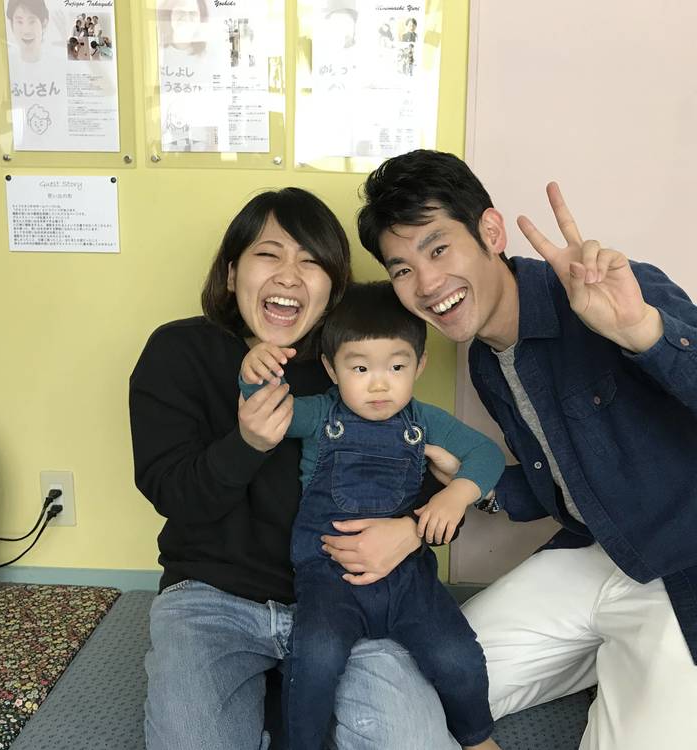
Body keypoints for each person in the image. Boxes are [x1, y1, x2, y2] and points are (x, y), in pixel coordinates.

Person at [356, 149, 697, 750]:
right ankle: (614, 662)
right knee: (409, 683)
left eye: (439, 248)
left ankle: (684, 680)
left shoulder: (611, 294)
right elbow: (571, 476)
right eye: (402, 269)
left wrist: (645, 334)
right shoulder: (486, 361)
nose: (426, 285)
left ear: (491, 233)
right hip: (604, 552)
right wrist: (480, 485)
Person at [129, 188, 464, 750]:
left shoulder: (355, 362)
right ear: (231, 273)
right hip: (213, 597)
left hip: (352, 591)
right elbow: (175, 493)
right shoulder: (178, 352)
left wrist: (418, 522)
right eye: (268, 255)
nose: (288, 275)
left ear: (334, 288)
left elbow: (413, 479)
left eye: (311, 262)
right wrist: (247, 443)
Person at [239, 281, 504, 750]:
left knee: (457, 654)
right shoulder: (321, 415)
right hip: (329, 577)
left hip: (408, 578)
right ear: (331, 368)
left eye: (397, 367)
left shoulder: (425, 422)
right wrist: (253, 375)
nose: (379, 384)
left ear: (419, 365)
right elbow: (269, 411)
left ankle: (477, 737)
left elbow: (487, 454)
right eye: (360, 368)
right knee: (314, 658)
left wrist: (456, 495)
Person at [6, 0, 49, 65]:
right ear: (12, 26)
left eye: (32, 22)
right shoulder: (5, 61)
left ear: (44, 24)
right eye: (20, 22)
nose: (26, 31)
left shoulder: (59, 62)